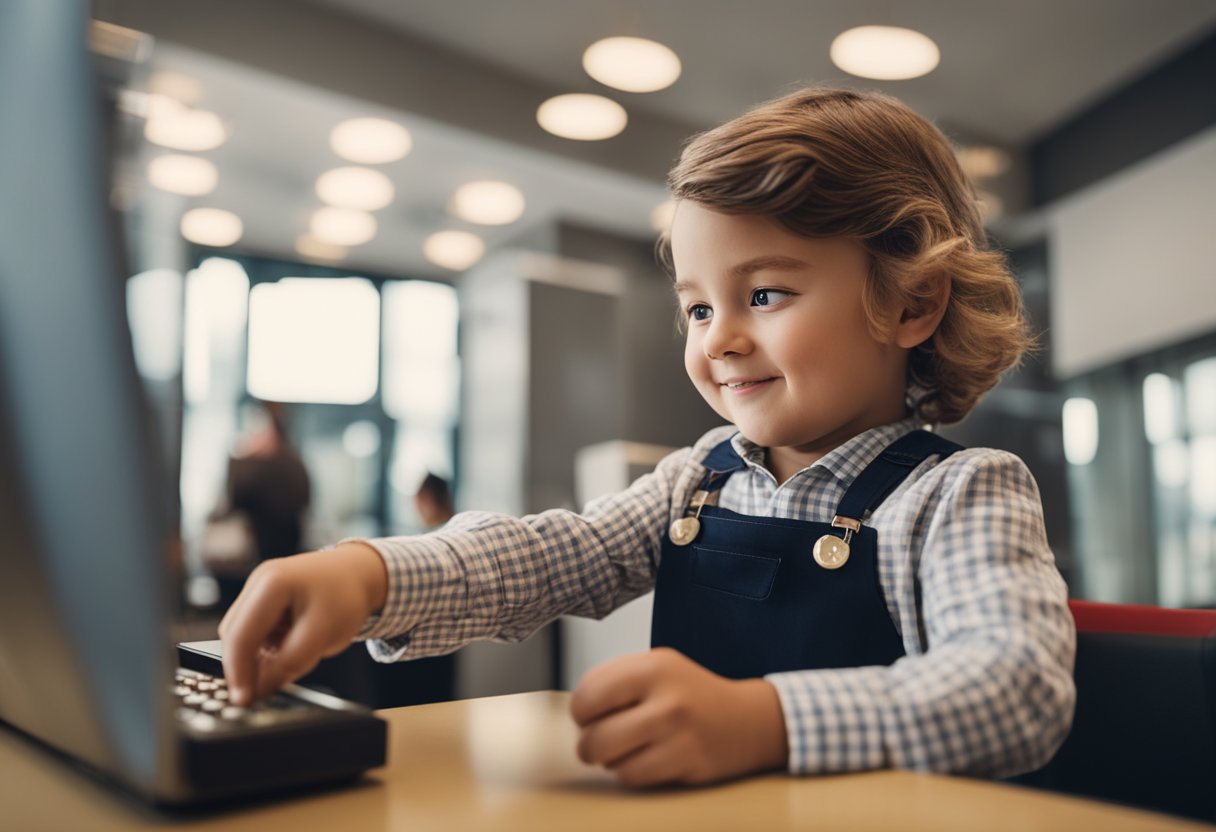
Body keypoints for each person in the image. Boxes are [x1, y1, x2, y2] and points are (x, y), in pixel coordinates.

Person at [219, 87, 1075, 787]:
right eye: (698, 306)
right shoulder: (697, 477)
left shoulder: (959, 491)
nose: (719, 339)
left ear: (911, 302)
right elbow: (553, 555)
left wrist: (764, 722)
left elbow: (1014, 688)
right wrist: (371, 574)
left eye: (766, 294)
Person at [210, 401, 311, 608]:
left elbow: (234, 500)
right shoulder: (296, 463)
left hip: (246, 562)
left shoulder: (251, 465)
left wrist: (238, 460)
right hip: (284, 558)